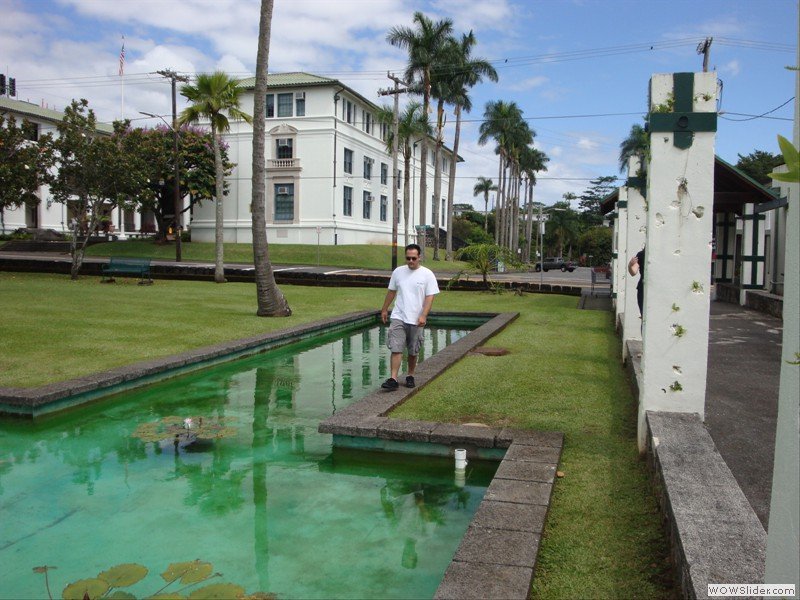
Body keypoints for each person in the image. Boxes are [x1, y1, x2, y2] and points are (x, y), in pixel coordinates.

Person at [380, 244, 439, 390]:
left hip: (416, 318)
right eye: (408, 258)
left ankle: (410, 375)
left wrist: (423, 315)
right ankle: (393, 379)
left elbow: (430, 297)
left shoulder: (427, 274)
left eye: (414, 258)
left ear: (419, 257)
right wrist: (384, 309)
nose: (411, 261)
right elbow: (392, 292)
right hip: (399, 316)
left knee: (413, 351)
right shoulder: (398, 272)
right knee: (396, 347)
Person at [628, 247, 646, 316]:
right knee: (643, 315)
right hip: (642, 288)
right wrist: (630, 265)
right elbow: (633, 273)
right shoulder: (641, 254)